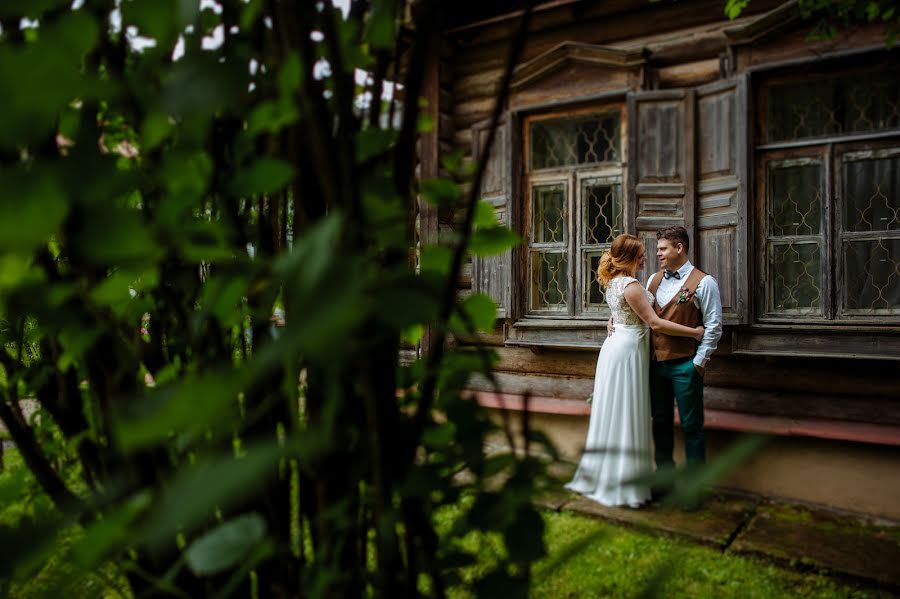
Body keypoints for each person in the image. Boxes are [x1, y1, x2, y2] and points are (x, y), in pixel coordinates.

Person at [566, 234, 704, 508]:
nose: (646, 257)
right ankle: (625, 482)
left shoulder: (618, 283)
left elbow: (623, 309)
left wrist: (613, 318)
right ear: (629, 258)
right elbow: (655, 323)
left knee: (617, 411)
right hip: (628, 349)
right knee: (626, 411)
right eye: (641, 254)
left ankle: (614, 475)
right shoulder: (631, 285)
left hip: (618, 346)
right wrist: (695, 332)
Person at [609, 226, 723, 473]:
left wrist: (698, 363)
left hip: (685, 365)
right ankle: (664, 481)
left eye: (663, 249)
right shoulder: (653, 279)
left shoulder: (705, 283)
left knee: (692, 426)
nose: (658, 254)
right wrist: (613, 319)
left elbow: (714, 327)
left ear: (679, 248)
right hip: (655, 364)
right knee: (659, 423)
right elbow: (640, 312)